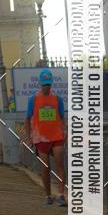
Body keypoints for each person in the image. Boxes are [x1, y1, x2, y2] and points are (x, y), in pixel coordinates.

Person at [24, 68, 67, 205]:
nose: (47, 87)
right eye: (44, 84)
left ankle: (61, 194)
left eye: (48, 84)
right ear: (40, 84)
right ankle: (48, 195)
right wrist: (29, 136)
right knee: (45, 167)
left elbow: (62, 117)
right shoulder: (33, 99)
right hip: (40, 138)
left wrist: (64, 131)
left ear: (51, 84)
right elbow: (27, 118)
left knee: (60, 163)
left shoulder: (57, 99)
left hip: (56, 136)